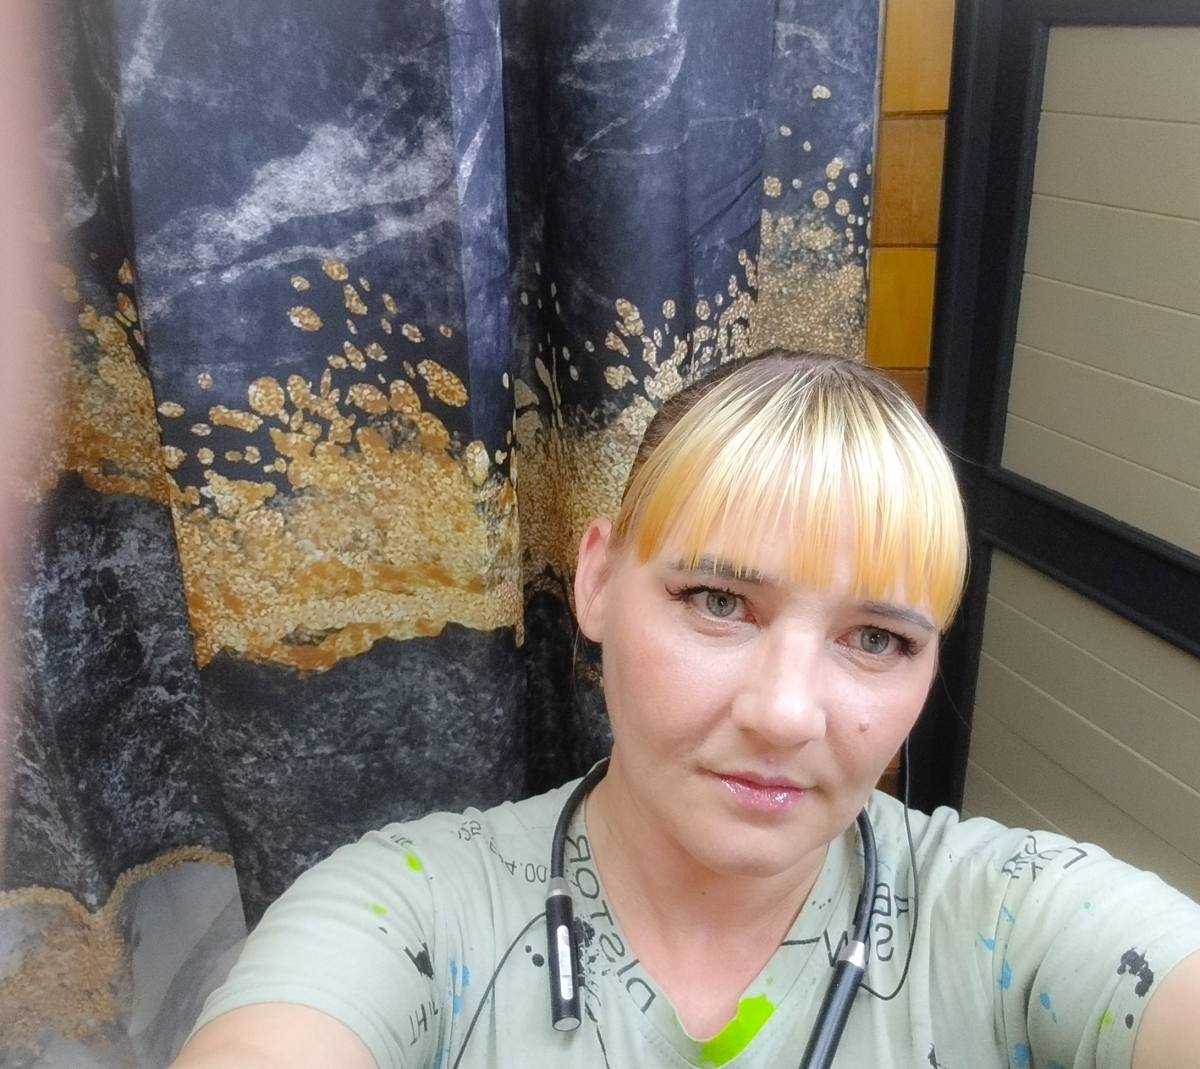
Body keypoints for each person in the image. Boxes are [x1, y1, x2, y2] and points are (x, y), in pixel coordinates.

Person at [173, 349, 1200, 1069]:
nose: (785, 713)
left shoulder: (1011, 921)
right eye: (718, 601)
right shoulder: (410, 914)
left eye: (876, 638)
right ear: (596, 580)